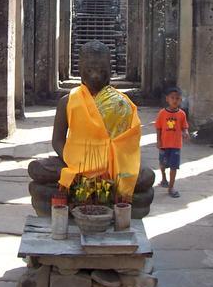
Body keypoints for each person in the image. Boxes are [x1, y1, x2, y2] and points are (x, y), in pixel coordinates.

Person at [52, 40, 141, 199]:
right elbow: (57, 140)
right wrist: (74, 161)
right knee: (37, 168)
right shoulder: (67, 101)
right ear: (80, 70)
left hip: (112, 164)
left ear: (110, 70)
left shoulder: (121, 103)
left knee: (145, 177)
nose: (95, 75)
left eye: (101, 70)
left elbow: (130, 143)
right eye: (90, 70)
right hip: (77, 162)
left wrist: (111, 161)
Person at [155, 86, 189, 197]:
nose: (174, 100)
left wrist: (186, 132)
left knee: (174, 166)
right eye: (172, 98)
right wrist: (158, 140)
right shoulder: (162, 113)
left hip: (176, 145)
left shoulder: (182, 114)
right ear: (167, 99)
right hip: (164, 144)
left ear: (180, 100)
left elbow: (184, 126)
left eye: (177, 98)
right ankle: (164, 178)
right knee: (163, 164)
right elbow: (158, 128)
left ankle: (171, 187)